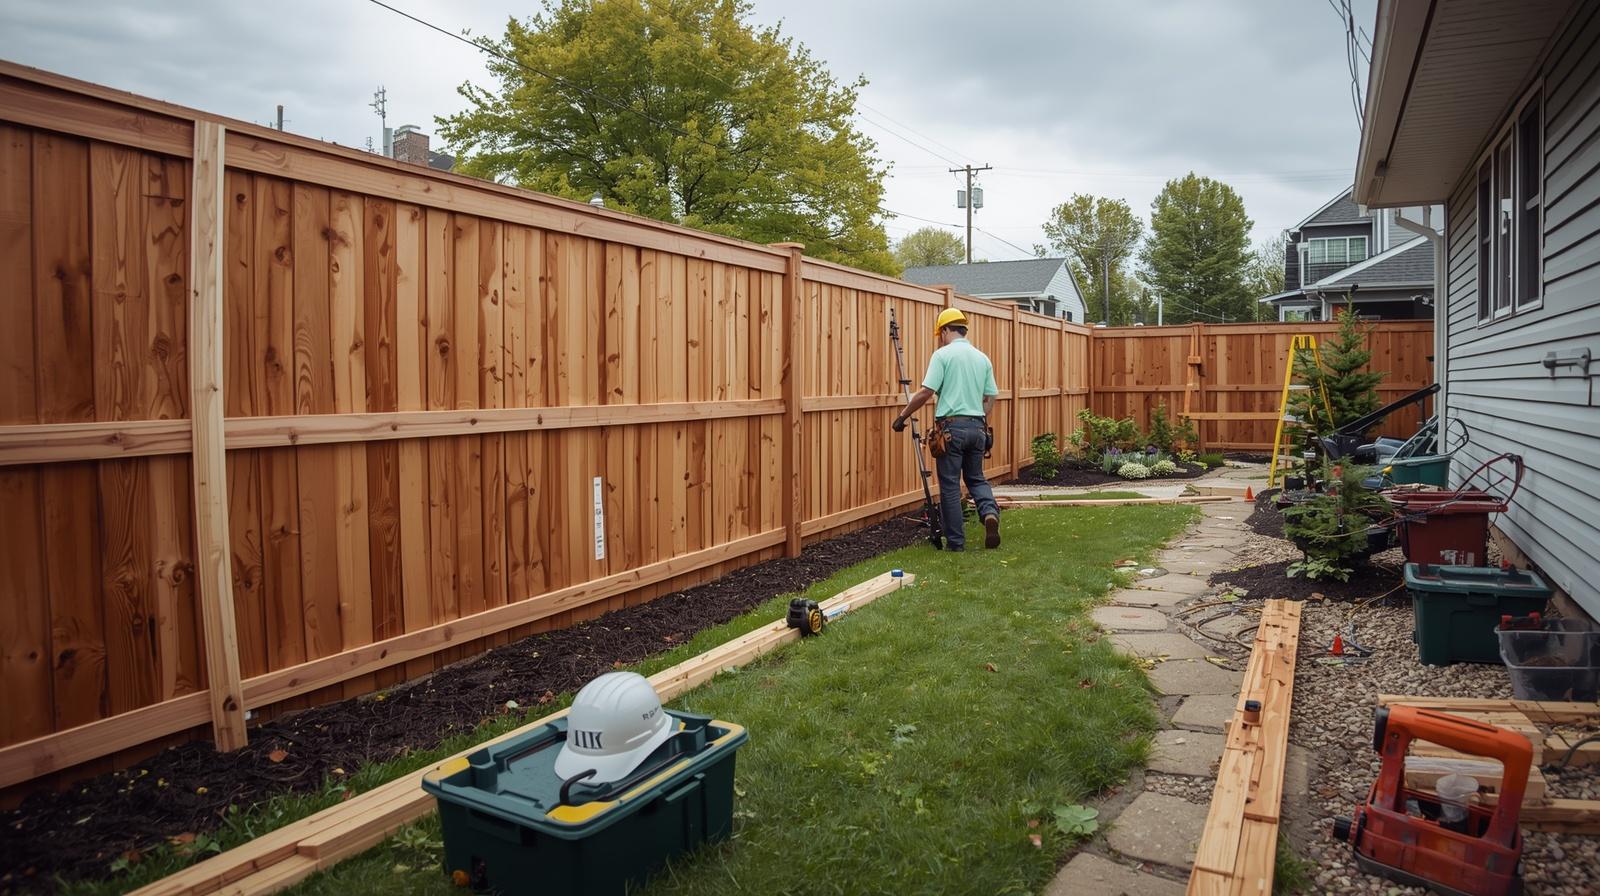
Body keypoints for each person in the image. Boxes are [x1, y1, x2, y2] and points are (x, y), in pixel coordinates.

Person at [892, 308, 1000, 550]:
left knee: (950, 485)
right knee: (976, 478)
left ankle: (956, 543)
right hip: (978, 427)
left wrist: (902, 417)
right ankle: (990, 513)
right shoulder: (982, 358)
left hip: (951, 429)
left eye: (940, 333)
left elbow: (926, 392)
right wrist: (980, 419)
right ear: (964, 329)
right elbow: (990, 397)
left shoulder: (942, 356)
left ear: (944, 331)